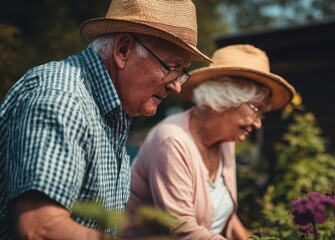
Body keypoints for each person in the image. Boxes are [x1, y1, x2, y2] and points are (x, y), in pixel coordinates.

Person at [0, 0, 211, 239]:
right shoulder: (62, 99)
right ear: (123, 50)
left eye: (182, 72)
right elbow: (40, 227)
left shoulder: (114, 110)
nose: (176, 86)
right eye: (172, 66)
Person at [126, 44, 296, 239]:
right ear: (224, 99)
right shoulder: (171, 141)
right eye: (256, 109)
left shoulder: (225, 141)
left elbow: (224, 215)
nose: (258, 124)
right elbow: (181, 232)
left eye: (262, 116)